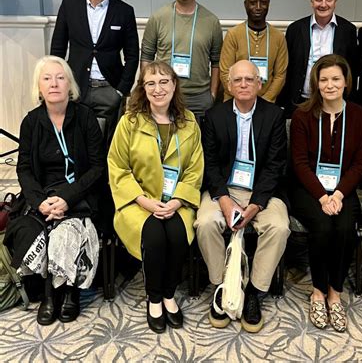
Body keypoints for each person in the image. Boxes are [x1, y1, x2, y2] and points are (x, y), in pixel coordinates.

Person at [4, 56, 105, 326]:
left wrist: (68, 198)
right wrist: (40, 202)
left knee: (65, 233)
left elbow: (98, 167)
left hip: (80, 193)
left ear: (69, 84)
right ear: (39, 86)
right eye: (47, 78)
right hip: (43, 195)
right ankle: (49, 294)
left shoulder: (85, 117)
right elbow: (24, 169)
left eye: (60, 78)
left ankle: (68, 292)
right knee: (30, 231)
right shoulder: (31, 122)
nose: (54, 83)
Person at [108, 62, 204, 334]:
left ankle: (169, 294)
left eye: (164, 82)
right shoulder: (129, 122)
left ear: (174, 85)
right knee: (154, 237)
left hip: (176, 201)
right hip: (138, 201)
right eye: (150, 83)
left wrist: (177, 201)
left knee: (176, 234)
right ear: (143, 88)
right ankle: (154, 298)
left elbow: (195, 169)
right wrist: (144, 201)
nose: (158, 89)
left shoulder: (189, 122)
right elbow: (118, 167)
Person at [195, 59, 290, 333]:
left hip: (262, 190)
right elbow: (210, 164)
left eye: (250, 79)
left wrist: (256, 204)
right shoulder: (214, 116)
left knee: (279, 226)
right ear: (229, 85)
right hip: (224, 188)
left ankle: (254, 293)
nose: (244, 84)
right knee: (205, 223)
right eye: (238, 80)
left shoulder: (274, 115)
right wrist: (224, 200)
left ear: (260, 84)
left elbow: (275, 165)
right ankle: (222, 286)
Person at [290, 54, 362, 332]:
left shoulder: (360, 116)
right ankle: (317, 291)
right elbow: (299, 163)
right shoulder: (302, 115)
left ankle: (335, 292)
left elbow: (359, 164)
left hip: (343, 190)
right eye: (323, 79)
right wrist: (323, 198)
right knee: (322, 226)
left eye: (336, 79)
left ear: (346, 82)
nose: (330, 85)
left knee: (346, 227)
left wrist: (337, 195)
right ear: (316, 83)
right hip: (307, 190)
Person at [50, 0, 139, 146]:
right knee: (76, 142)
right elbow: (57, 50)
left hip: (110, 89)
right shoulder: (69, 5)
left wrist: (121, 91)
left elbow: (132, 55)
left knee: (108, 144)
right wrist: (60, 84)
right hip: (76, 87)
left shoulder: (124, 11)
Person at [141, 0, 223, 121]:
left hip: (199, 98)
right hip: (164, 95)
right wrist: (147, 89)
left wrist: (212, 94)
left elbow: (217, 62)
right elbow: (146, 57)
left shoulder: (211, 21)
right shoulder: (158, 18)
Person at [278, 0, 357, 117]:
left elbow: (352, 69)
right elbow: (287, 68)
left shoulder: (347, 30)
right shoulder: (295, 29)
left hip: (334, 102)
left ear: (336, 1)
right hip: (300, 102)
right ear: (311, 1)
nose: (323, 4)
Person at [219, 0, 288, 102]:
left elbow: (280, 76)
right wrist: (242, 98)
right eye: (253, 3)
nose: (258, 7)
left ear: (269, 4)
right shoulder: (233, 34)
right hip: (234, 102)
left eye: (263, 2)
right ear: (245, 4)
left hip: (266, 104)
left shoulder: (278, 37)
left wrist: (263, 103)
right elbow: (225, 73)